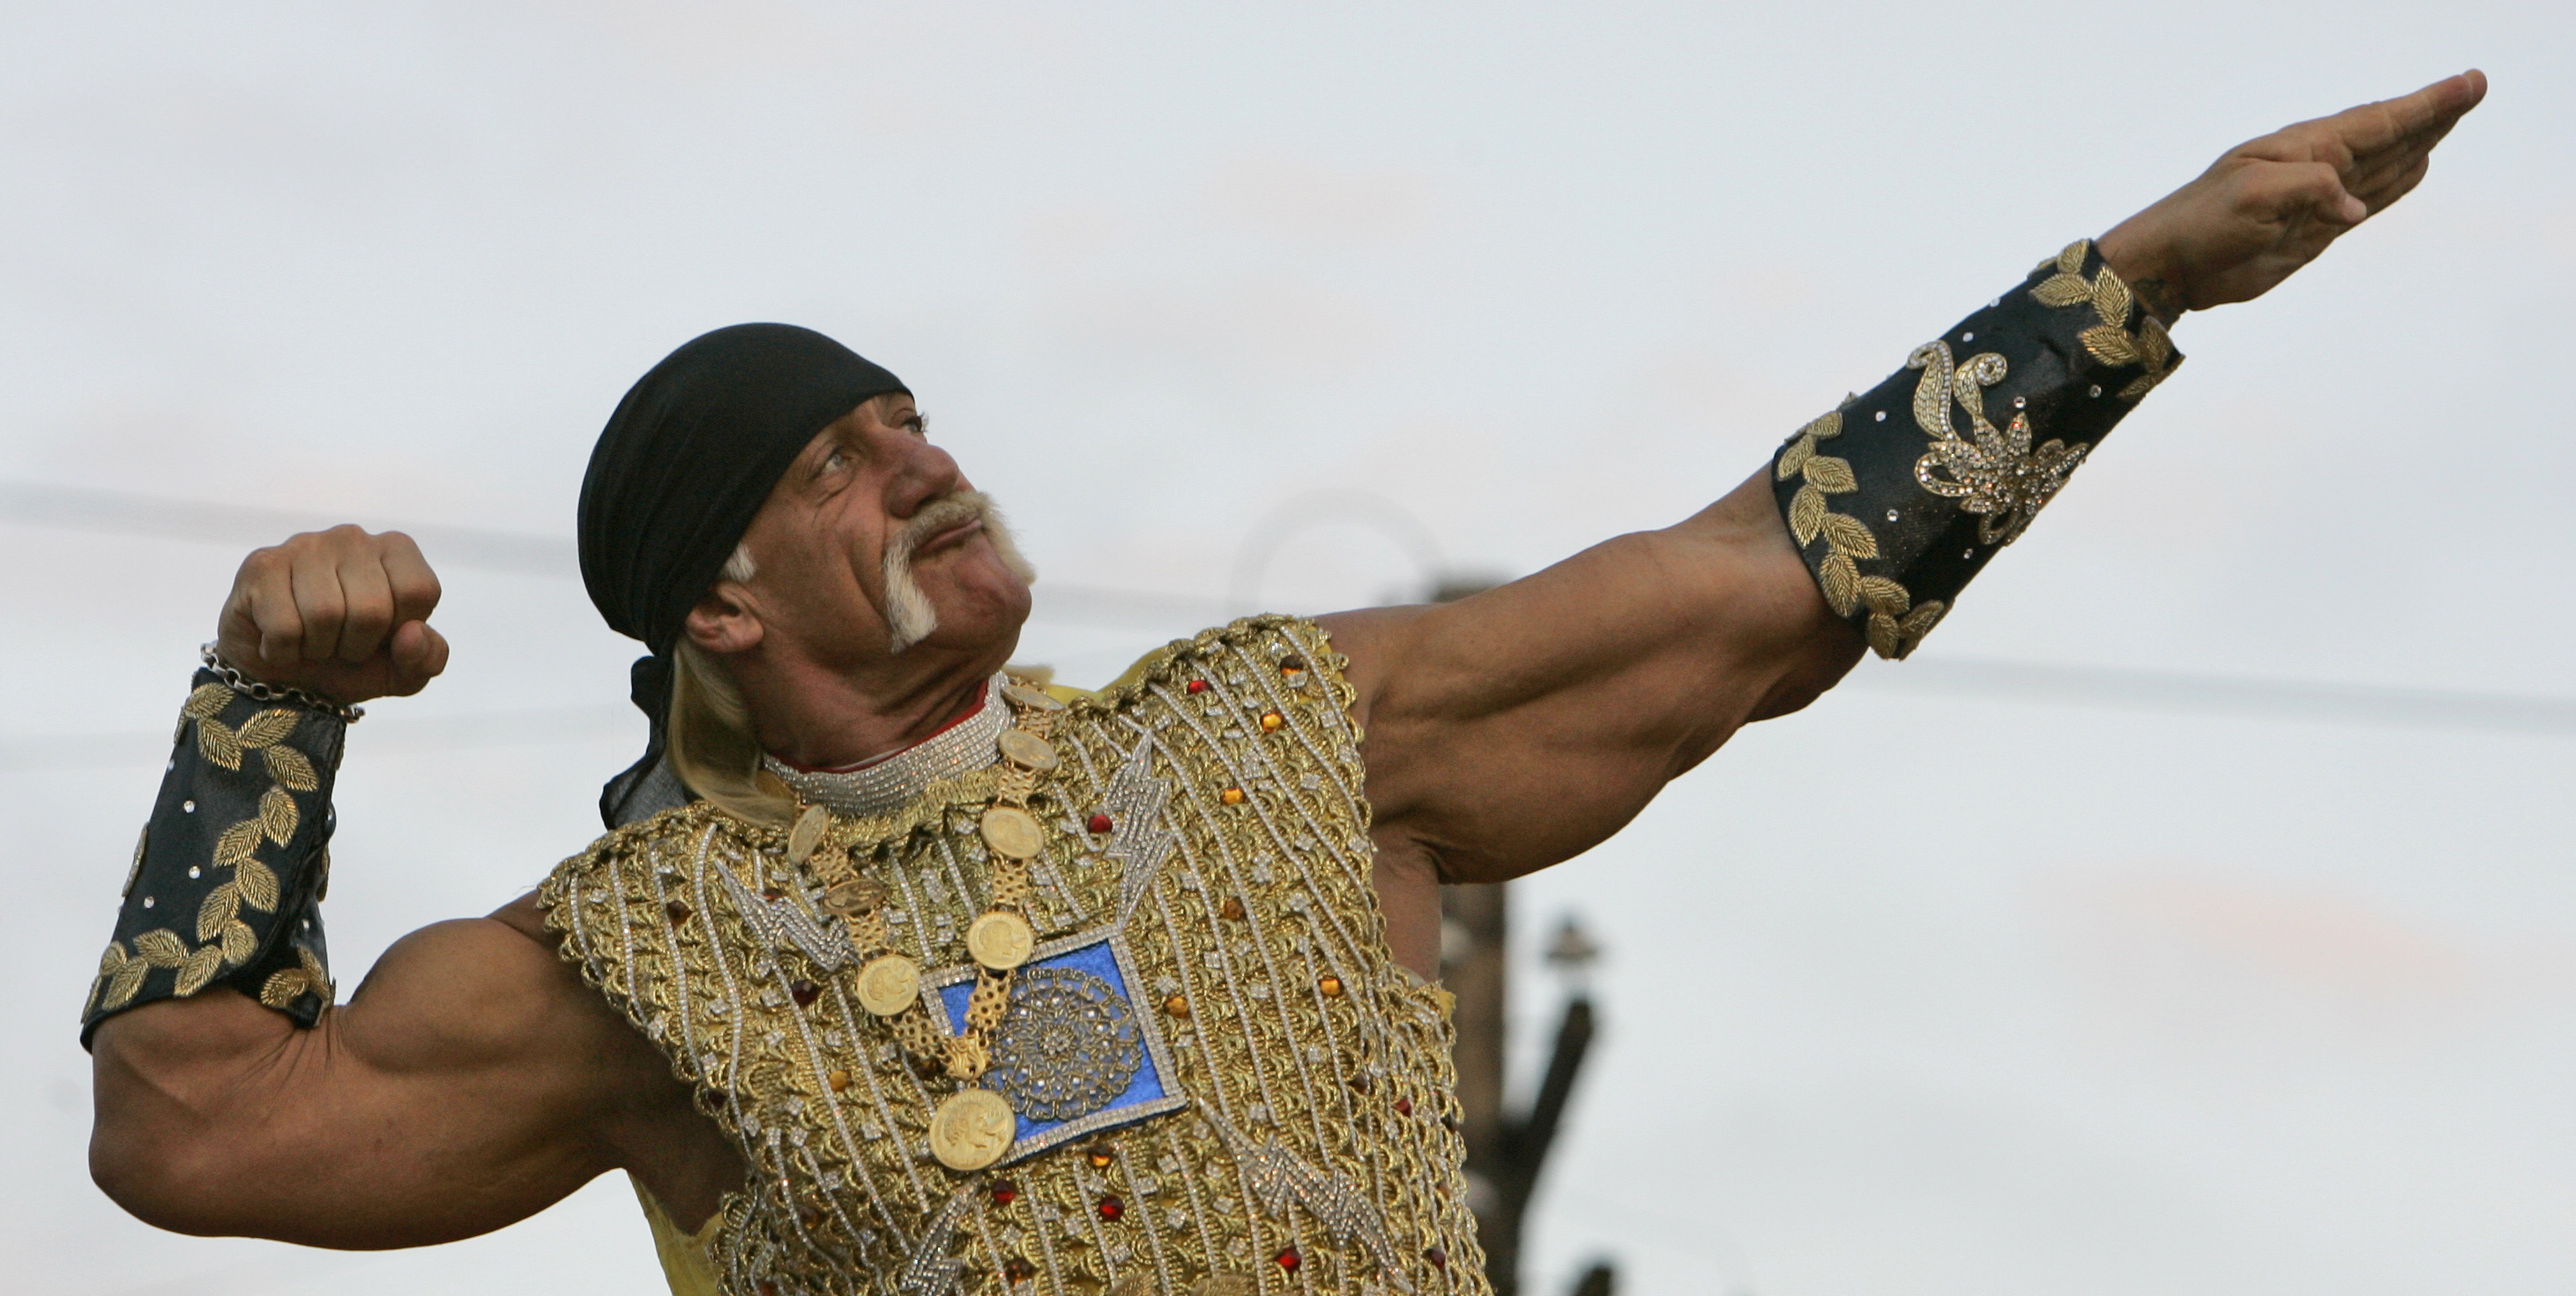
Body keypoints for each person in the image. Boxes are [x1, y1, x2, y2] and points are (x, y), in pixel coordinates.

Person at [81, 71, 2484, 1296]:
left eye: (914, 411)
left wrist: (2142, 280)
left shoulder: (1276, 739)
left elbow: (1747, 584)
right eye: (838, 456)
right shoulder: (641, 959)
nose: (920, 458)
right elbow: (200, 1137)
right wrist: (260, 713)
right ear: (721, 607)